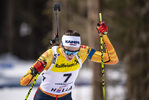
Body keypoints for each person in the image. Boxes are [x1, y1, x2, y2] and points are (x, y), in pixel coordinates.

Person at [20, 21, 119, 100]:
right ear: (61, 46)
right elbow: (24, 82)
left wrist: (104, 36)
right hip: (45, 97)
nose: (71, 55)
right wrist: (35, 71)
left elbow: (112, 60)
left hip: (65, 97)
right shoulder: (50, 55)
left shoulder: (83, 52)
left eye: (75, 52)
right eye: (67, 52)